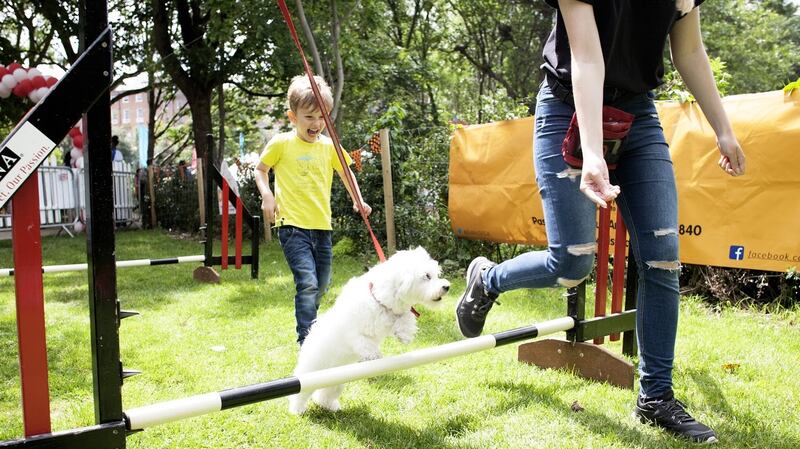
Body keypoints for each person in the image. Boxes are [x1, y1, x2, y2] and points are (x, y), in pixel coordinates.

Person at [455, 0, 745, 444]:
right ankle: (488, 278)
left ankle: (655, 398)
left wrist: (722, 129)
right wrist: (592, 153)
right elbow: (588, 58)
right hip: (566, 108)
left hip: (639, 115)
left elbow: (689, 52)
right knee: (572, 264)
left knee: (663, 259)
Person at [254, 74, 372, 345]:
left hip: (322, 228)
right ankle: (307, 340)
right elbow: (261, 170)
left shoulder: (330, 147)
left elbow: (347, 173)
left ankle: (313, 325)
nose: (317, 123)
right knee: (307, 283)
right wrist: (267, 195)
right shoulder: (281, 143)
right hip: (292, 227)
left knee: (321, 285)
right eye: (309, 117)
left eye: (322, 117)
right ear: (293, 116)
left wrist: (358, 198)